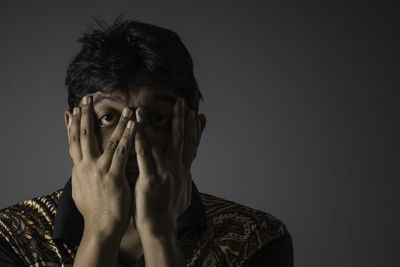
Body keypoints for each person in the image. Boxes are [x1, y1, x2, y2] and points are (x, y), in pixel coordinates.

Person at [0, 17, 293, 267]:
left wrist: (159, 234)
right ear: (73, 129)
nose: (133, 139)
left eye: (158, 118)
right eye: (108, 118)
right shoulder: (12, 237)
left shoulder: (255, 239)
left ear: (194, 131)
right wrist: (100, 231)